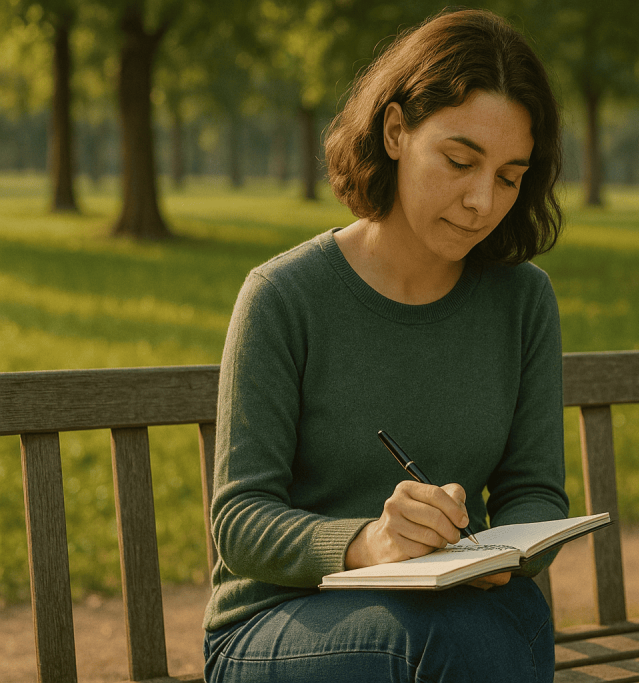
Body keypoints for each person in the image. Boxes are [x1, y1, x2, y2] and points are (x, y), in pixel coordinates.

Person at [202, 8, 569, 682]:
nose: (482, 202)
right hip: (279, 622)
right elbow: (239, 518)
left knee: (512, 621)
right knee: (450, 642)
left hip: (454, 609)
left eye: (510, 176)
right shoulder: (283, 297)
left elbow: (535, 491)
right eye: (460, 161)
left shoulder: (524, 301)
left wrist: (499, 555)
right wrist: (368, 542)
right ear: (396, 131)